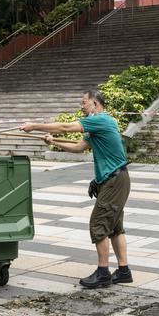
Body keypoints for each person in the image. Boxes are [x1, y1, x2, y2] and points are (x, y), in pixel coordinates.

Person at [21, 90, 132, 289]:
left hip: (115, 180)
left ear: (96, 104)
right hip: (114, 179)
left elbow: (65, 126)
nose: (81, 106)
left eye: (84, 102)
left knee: (98, 224)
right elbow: (79, 147)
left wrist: (34, 126)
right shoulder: (98, 125)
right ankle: (123, 271)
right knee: (115, 228)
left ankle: (103, 273)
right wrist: (53, 141)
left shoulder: (101, 120)